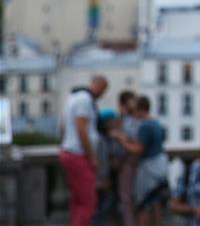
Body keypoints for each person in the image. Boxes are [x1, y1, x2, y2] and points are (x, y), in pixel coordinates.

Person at [110, 96, 167, 226]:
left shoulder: (145, 126)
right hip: (159, 166)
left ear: (140, 109)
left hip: (149, 169)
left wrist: (121, 139)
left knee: (144, 204)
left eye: (134, 110)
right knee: (155, 203)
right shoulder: (155, 122)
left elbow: (137, 149)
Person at [60, 74, 108, 226]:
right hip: (78, 155)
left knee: (77, 201)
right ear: (98, 85)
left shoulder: (73, 97)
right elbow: (81, 128)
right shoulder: (84, 100)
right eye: (103, 89)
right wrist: (92, 156)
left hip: (70, 151)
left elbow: (64, 126)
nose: (102, 94)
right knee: (88, 202)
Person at [116, 90, 140, 226]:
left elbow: (133, 139)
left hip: (131, 162)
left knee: (130, 198)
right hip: (127, 163)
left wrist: (121, 138)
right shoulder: (124, 118)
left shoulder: (134, 119)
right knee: (127, 198)